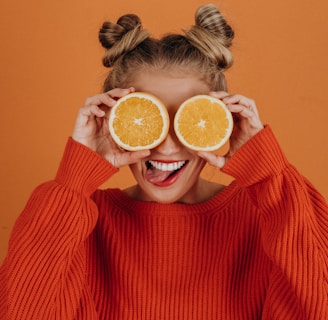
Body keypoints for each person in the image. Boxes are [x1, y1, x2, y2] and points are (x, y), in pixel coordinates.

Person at [0, 4, 327, 319]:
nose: (168, 148)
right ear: (112, 121)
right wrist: (73, 181)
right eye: (146, 119)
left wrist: (269, 174)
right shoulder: (78, 225)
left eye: (189, 119)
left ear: (222, 120)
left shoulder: (269, 219)